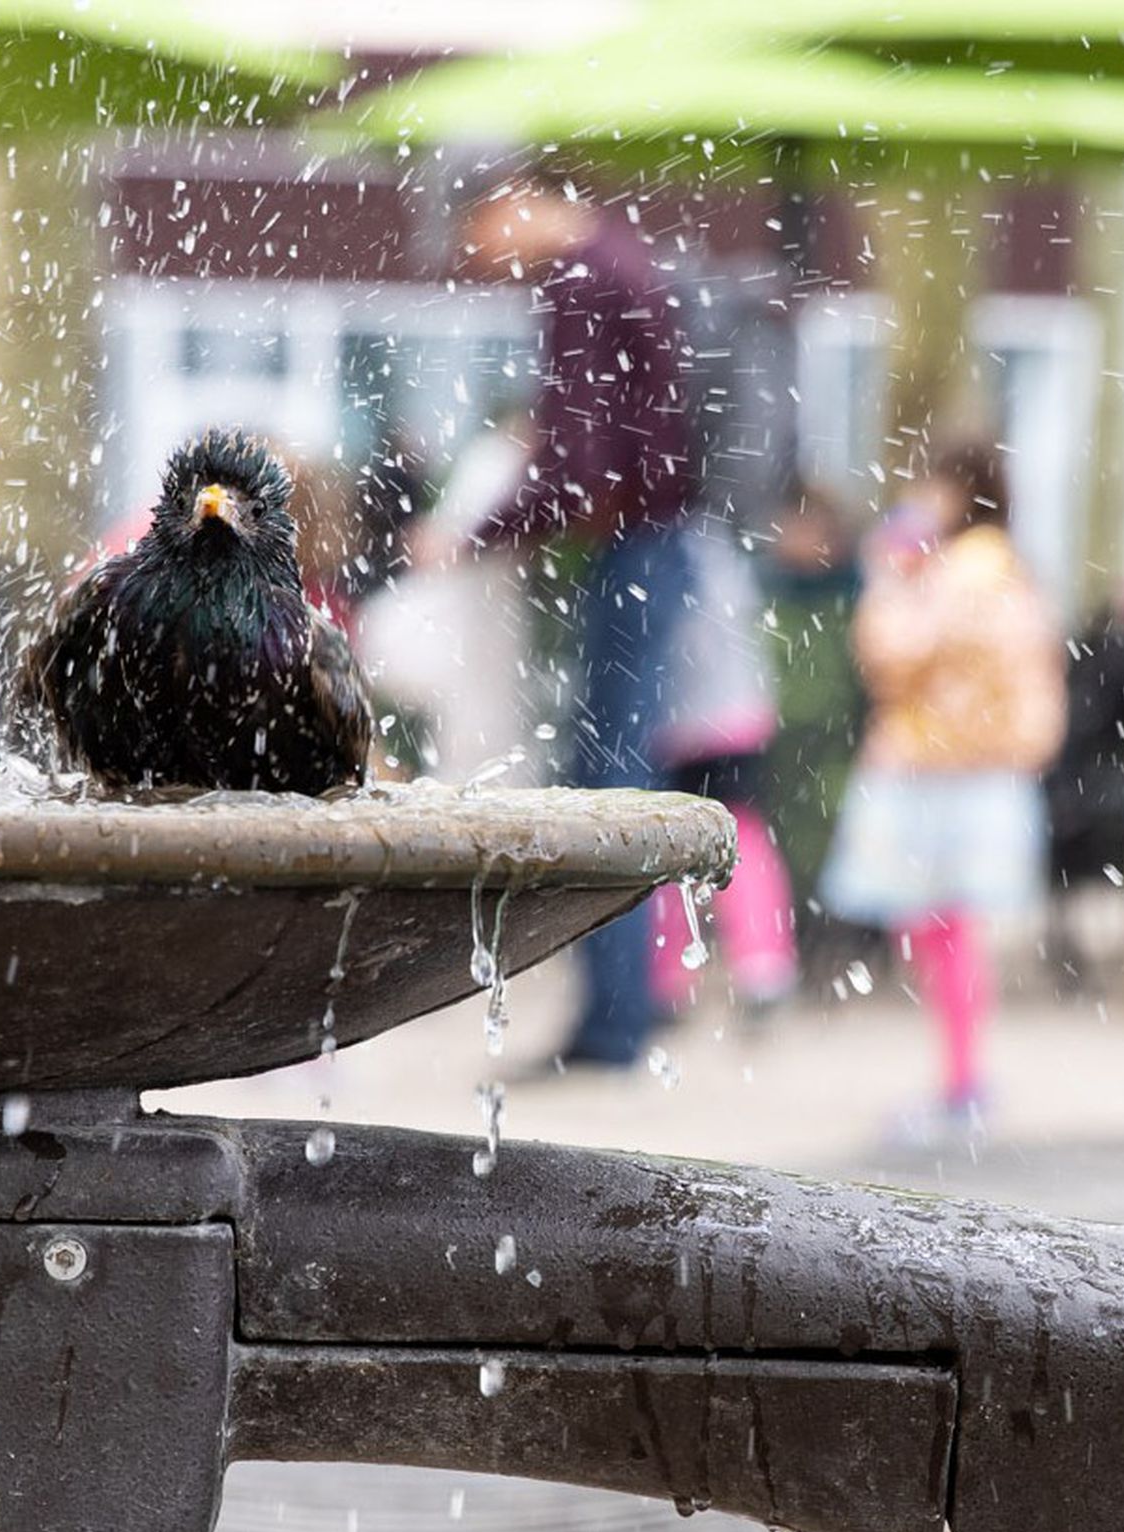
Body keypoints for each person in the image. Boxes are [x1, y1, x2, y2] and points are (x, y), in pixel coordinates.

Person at [457, 168, 700, 1068]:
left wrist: (477, 534)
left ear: (513, 198)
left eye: (481, 236)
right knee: (626, 765)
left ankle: (614, 1026)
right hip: (659, 542)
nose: (485, 263)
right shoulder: (626, 260)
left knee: (604, 780)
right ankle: (630, 1008)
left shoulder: (582, 278)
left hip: (633, 548)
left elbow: (580, 459)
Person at [818, 442, 1067, 1140]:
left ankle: (962, 1084)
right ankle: (962, 1077)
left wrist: (889, 578)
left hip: (936, 774)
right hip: (976, 771)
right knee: (948, 931)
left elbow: (891, 654)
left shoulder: (957, 570)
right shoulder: (1006, 567)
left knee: (942, 930)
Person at [649, 525, 799, 1017]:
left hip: (698, 720)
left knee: (689, 845)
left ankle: (685, 973)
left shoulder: (682, 545)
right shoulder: (715, 542)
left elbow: (689, 638)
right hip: (729, 715)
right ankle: (753, 966)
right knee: (726, 839)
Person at [352, 408, 537, 783]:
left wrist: (453, 542)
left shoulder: (498, 459)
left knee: (477, 714)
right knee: (476, 714)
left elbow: (481, 526)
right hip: (477, 603)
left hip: (480, 603)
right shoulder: (500, 458)